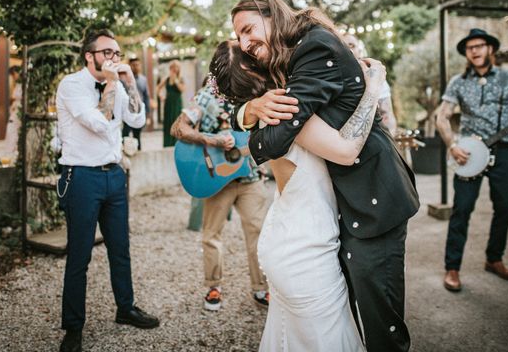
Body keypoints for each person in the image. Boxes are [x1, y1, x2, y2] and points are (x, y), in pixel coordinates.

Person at [229, 0, 420, 352]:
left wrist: (253, 123)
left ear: (271, 15)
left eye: (248, 29)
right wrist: (248, 109)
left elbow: (273, 139)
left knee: (382, 327)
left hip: (373, 200)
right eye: (239, 37)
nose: (245, 43)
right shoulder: (291, 57)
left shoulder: (313, 48)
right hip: (343, 208)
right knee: (348, 316)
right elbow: (246, 109)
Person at [211, 40, 387, 351]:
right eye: (250, 48)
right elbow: (346, 150)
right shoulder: (284, 112)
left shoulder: (270, 111)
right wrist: (373, 88)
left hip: (291, 240)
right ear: (254, 68)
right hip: (305, 254)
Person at [55, 29, 159, 352]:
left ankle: (125, 308)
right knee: (79, 256)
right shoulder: (71, 86)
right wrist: (114, 84)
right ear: (90, 56)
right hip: (82, 178)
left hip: (115, 176)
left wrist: (128, 83)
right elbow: (101, 121)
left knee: (120, 249)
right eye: (107, 52)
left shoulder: (117, 83)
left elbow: (138, 119)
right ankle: (73, 328)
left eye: (117, 52)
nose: (114, 57)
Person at [436, 28, 508, 292]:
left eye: (480, 45)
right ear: (466, 53)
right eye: (470, 47)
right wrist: (453, 145)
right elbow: (442, 116)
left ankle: (494, 259)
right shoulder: (458, 82)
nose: (475, 50)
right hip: (468, 152)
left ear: (491, 49)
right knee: (462, 209)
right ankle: (452, 268)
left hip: (503, 151)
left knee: (505, 207)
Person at [170, 79, 270, 312]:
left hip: (250, 176)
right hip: (216, 179)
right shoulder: (206, 96)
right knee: (211, 235)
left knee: (260, 234)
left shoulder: (255, 93)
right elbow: (178, 128)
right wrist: (210, 140)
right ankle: (213, 286)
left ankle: (261, 288)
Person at [342, 34, 397, 136]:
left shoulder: (375, 76)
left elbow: (387, 114)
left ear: (360, 50)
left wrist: (390, 143)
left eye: (352, 46)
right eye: (344, 46)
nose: (349, 50)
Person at [122, 58, 150, 150]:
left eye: (137, 64)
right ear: (129, 66)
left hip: (138, 113)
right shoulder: (123, 80)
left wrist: (147, 114)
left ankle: (138, 153)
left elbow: (146, 96)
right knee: (125, 135)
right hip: (126, 112)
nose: (136, 67)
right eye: (133, 65)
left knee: (137, 137)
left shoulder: (143, 79)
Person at [158, 60, 185, 147]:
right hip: (168, 104)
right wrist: (161, 96)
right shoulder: (166, 78)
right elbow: (158, 88)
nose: (174, 69)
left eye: (176, 67)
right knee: (168, 122)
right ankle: (168, 143)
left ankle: (177, 142)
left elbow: (182, 90)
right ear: (170, 68)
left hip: (177, 104)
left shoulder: (181, 79)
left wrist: (176, 80)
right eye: (173, 67)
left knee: (177, 122)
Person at [3, 65, 22, 159]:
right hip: (15, 111)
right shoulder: (17, 84)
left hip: (18, 111)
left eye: (13, 74)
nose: (13, 76)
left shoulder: (22, 84)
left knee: (12, 130)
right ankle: (10, 152)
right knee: (12, 130)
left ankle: (11, 152)